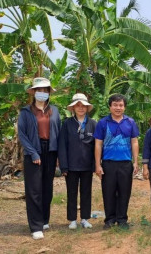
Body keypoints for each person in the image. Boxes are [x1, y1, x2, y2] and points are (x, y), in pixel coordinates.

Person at [17, 77, 61, 240]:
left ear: (48, 93)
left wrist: (58, 155)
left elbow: (59, 132)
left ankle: (43, 220)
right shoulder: (26, 112)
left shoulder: (54, 111)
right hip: (33, 151)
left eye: (45, 90)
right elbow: (22, 134)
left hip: (50, 151)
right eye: (39, 90)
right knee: (34, 190)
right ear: (34, 92)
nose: (42, 93)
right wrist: (33, 153)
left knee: (47, 189)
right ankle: (35, 226)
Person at [93, 94, 139, 229]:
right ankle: (110, 220)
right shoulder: (103, 123)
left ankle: (122, 219)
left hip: (125, 163)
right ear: (110, 106)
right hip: (108, 163)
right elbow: (98, 144)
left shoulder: (130, 122)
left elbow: (134, 142)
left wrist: (136, 162)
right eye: (115, 105)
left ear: (124, 107)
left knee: (125, 192)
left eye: (120, 105)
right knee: (108, 192)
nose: (118, 108)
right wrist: (97, 165)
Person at [58, 93, 97, 230]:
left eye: (83, 106)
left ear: (87, 108)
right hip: (71, 166)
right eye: (77, 106)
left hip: (87, 166)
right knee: (71, 193)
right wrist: (64, 166)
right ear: (73, 108)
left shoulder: (93, 124)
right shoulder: (67, 124)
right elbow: (62, 146)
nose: (80, 108)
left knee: (86, 192)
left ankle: (85, 218)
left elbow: (97, 146)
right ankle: (72, 219)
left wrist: (95, 165)